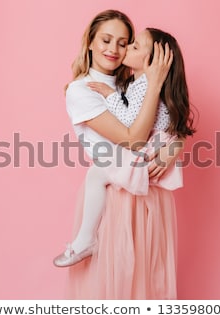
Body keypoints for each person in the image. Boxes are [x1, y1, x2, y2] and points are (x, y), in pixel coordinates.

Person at [57, 10, 191, 299]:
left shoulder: (131, 82)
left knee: (148, 283)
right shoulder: (82, 91)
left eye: (125, 43)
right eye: (106, 40)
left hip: (151, 193)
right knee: (113, 287)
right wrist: (154, 83)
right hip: (115, 195)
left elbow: (171, 125)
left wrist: (172, 149)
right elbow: (132, 140)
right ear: (90, 42)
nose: (114, 50)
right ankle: (84, 241)